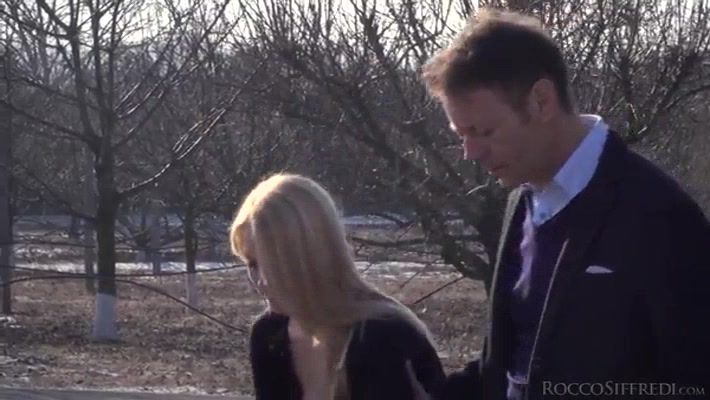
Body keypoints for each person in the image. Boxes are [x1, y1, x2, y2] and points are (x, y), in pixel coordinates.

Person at [408, 7, 710, 400]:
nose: (470, 152)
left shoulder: (658, 215)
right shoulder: (521, 206)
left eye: (483, 131)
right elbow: (510, 368)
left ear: (541, 100)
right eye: (461, 134)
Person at [229, 173, 446, 400]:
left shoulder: (383, 335)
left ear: (311, 255)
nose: (261, 281)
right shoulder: (270, 334)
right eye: (253, 264)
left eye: (273, 264)